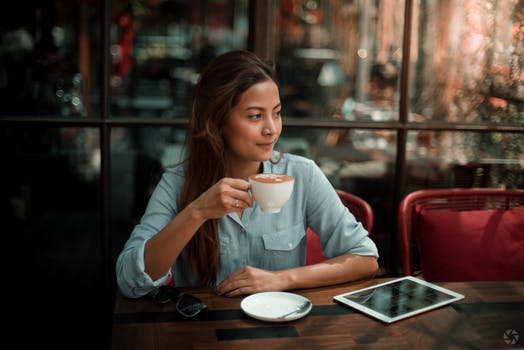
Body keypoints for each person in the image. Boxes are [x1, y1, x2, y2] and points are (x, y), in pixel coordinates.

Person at [116, 50, 379, 298]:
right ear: (217, 121)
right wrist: (197, 212)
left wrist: (281, 279)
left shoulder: (303, 174)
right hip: (203, 334)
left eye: (276, 114)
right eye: (255, 116)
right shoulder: (177, 183)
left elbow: (365, 259)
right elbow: (130, 282)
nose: (272, 129)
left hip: (282, 332)